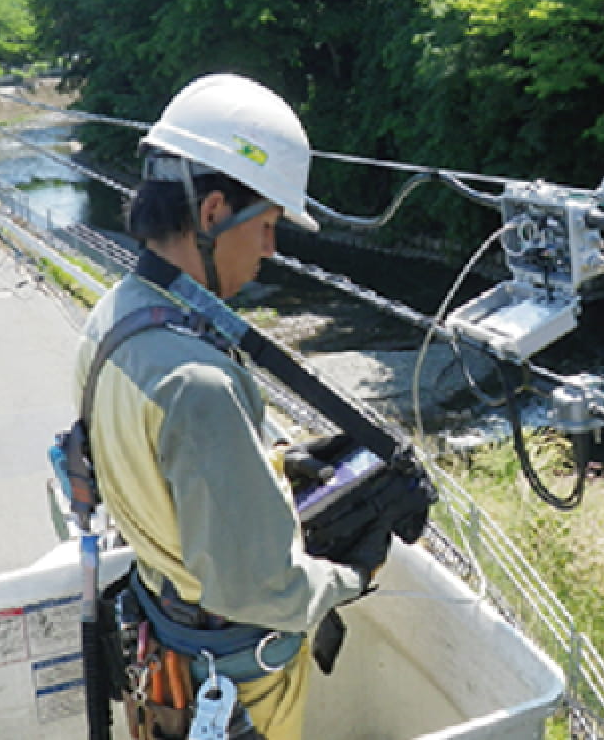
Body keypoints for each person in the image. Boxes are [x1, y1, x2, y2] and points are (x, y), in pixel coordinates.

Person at [74, 73, 389, 740]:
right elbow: (258, 588)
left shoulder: (114, 319)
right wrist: (349, 578)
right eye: (269, 224)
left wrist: (272, 463)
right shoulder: (200, 383)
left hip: (166, 648)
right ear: (213, 212)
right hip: (237, 683)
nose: (272, 249)